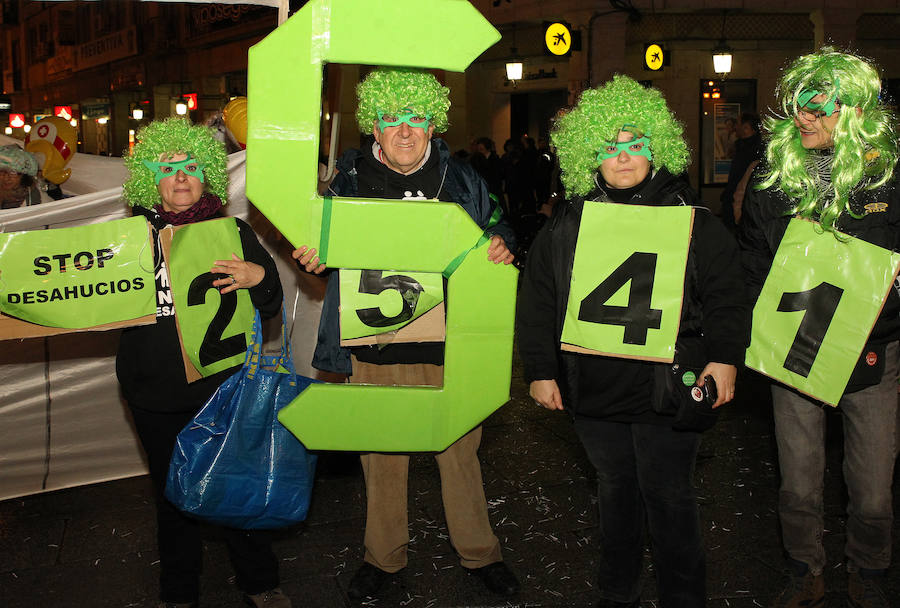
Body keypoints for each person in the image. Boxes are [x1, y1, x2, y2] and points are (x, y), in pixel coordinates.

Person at [518, 75, 750, 607]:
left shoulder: (694, 220)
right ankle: (616, 593)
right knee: (615, 495)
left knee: (670, 496)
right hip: (594, 387)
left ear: (657, 148)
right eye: (608, 147)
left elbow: (727, 297)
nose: (623, 159)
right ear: (587, 155)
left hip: (667, 387)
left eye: (635, 145)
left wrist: (725, 360)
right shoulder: (567, 224)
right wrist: (539, 370)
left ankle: (683, 597)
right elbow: (537, 299)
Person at [292, 67, 519, 601]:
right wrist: (313, 258)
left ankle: (480, 553)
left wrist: (502, 246)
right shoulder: (344, 182)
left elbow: (500, 226)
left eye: (416, 119)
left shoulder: (460, 179)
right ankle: (383, 558)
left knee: (460, 449)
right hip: (372, 343)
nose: (405, 131)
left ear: (433, 126)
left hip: (448, 341)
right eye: (392, 120)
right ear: (374, 128)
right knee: (381, 454)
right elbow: (317, 257)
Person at [739, 48, 900, 608]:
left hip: (874, 354)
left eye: (818, 108)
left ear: (856, 112)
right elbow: (752, 259)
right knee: (798, 484)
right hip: (797, 350)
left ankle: (870, 572)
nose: (803, 118)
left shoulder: (891, 177)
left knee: (874, 489)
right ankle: (805, 570)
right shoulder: (773, 180)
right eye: (798, 107)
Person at [116, 119, 289, 608]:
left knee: (236, 485)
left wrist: (259, 275)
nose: (180, 177)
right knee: (171, 495)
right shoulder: (126, 239)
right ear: (149, 179)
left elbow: (272, 304)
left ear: (207, 175)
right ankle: (179, 590)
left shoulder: (232, 231)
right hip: (154, 388)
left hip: (224, 386)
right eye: (167, 168)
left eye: (191, 166)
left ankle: (260, 582)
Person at [719, 112, 764, 229]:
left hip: (743, 205)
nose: (735, 127)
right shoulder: (742, 147)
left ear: (746, 127)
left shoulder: (752, 151)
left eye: (738, 123)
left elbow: (740, 180)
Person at [0, 144, 40, 208]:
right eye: (2, 172)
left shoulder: (31, 195)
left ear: (23, 175)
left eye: (13, 173)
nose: (6, 178)